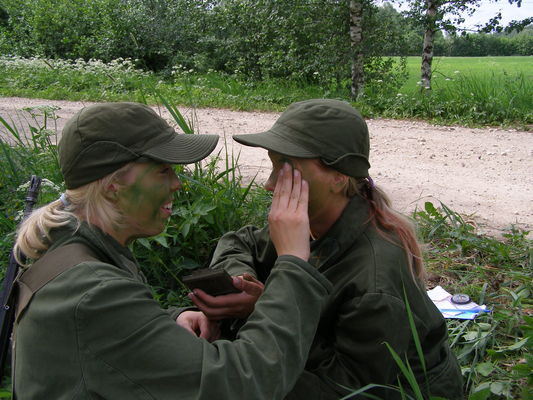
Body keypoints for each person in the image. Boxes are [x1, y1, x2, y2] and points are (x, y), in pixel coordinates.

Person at [11, 102, 332, 399]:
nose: (177, 183)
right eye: (164, 170)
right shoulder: (92, 290)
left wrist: (169, 323)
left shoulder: (71, 248)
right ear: (113, 186)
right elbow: (246, 382)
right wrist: (292, 261)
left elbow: (102, 341)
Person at [189, 99, 464, 399]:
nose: (269, 184)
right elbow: (240, 241)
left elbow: (349, 390)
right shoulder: (310, 223)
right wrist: (241, 281)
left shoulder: (374, 282)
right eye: (272, 164)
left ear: (338, 177)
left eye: (285, 167)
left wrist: (267, 310)